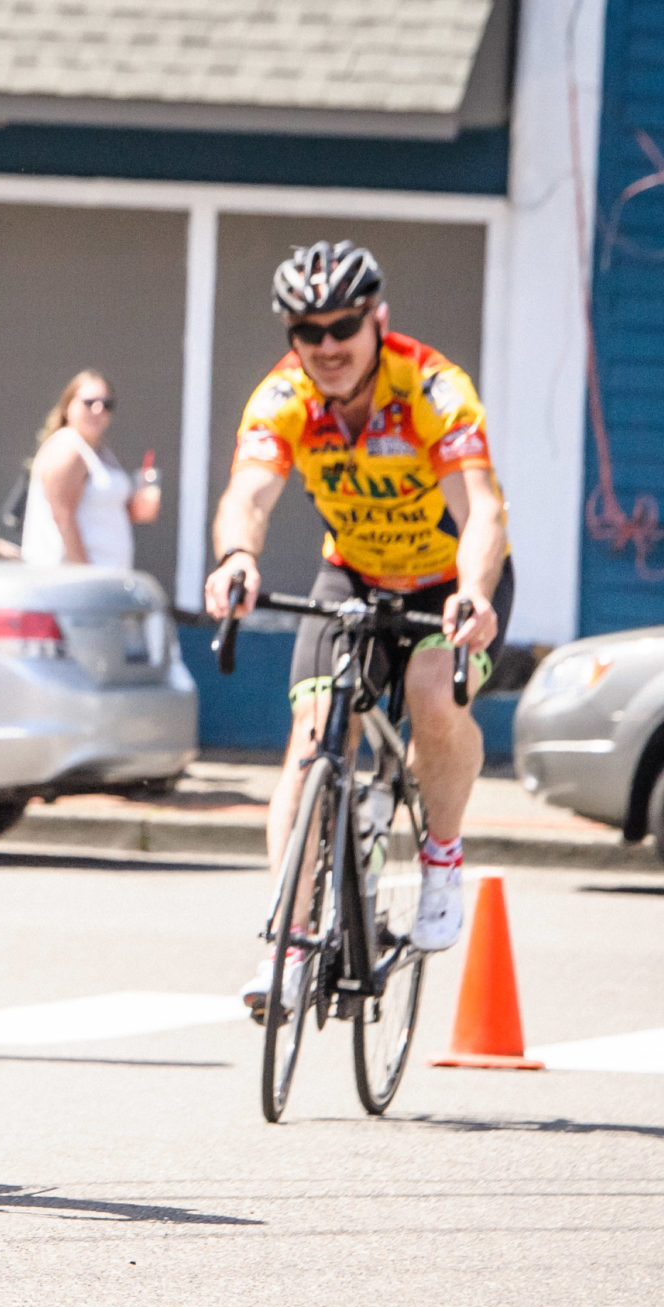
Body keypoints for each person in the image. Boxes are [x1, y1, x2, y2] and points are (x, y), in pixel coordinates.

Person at [204, 241, 512, 1019]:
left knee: (432, 693)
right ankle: (291, 941)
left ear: (378, 319)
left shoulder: (433, 388)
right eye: (309, 332)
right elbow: (249, 493)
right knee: (312, 742)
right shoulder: (284, 398)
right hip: (353, 573)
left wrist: (474, 591)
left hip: (449, 577)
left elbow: (483, 512)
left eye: (345, 325)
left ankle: (441, 855)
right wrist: (238, 557)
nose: (329, 345)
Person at [19, 369, 159, 568]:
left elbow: (100, 513)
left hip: (108, 579)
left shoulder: (99, 451)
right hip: (72, 586)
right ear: (68, 406)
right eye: (89, 402)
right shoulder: (68, 448)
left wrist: (136, 507)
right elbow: (63, 519)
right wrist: (86, 577)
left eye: (107, 405)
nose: (98, 410)